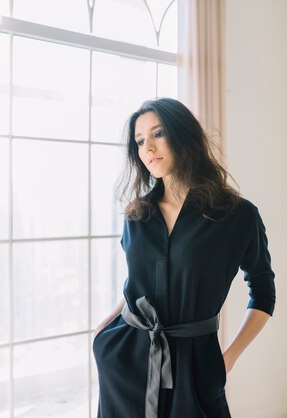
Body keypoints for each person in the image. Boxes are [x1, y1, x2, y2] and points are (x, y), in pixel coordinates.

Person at [92, 97, 276, 418]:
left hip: (195, 366)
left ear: (183, 136)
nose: (147, 147)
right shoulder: (137, 215)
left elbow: (263, 295)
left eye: (158, 134)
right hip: (126, 357)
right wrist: (105, 327)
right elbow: (137, 283)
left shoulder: (236, 215)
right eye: (139, 141)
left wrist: (228, 357)